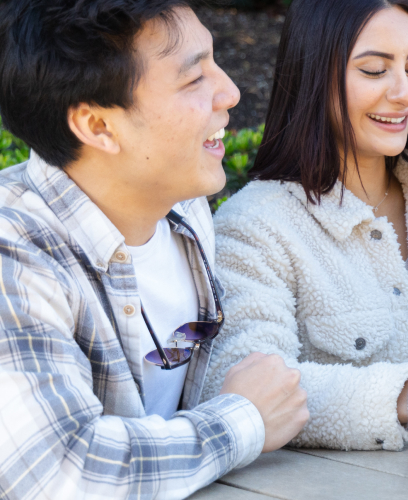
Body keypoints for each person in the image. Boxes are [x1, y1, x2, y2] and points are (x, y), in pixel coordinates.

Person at [0, 1, 310, 498]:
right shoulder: (13, 256)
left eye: (215, 60)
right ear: (98, 126)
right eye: (193, 80)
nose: (230, 92)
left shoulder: (185, 208)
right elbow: (63, 472)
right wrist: (242, 420)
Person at [201, 0, 408, 451]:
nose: (406, 93)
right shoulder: (256, 226)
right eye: (374, 70)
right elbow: (239, 388)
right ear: (313, 76)